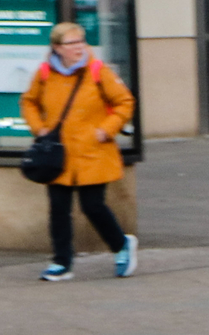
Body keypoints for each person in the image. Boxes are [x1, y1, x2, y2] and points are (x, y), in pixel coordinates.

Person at [21, 22, 137, 282]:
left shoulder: (98, 71)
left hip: (93, 152)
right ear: (57, 48)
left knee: (93, 206)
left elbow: (124, 102)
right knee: (58, 208)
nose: (78, 47)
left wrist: (106, 130)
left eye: (81, 42)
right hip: (58, 155)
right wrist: (38, 128)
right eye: (71, 43)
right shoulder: (44, 73)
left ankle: (121, 246)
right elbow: (28, 101)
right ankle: (62, 263)